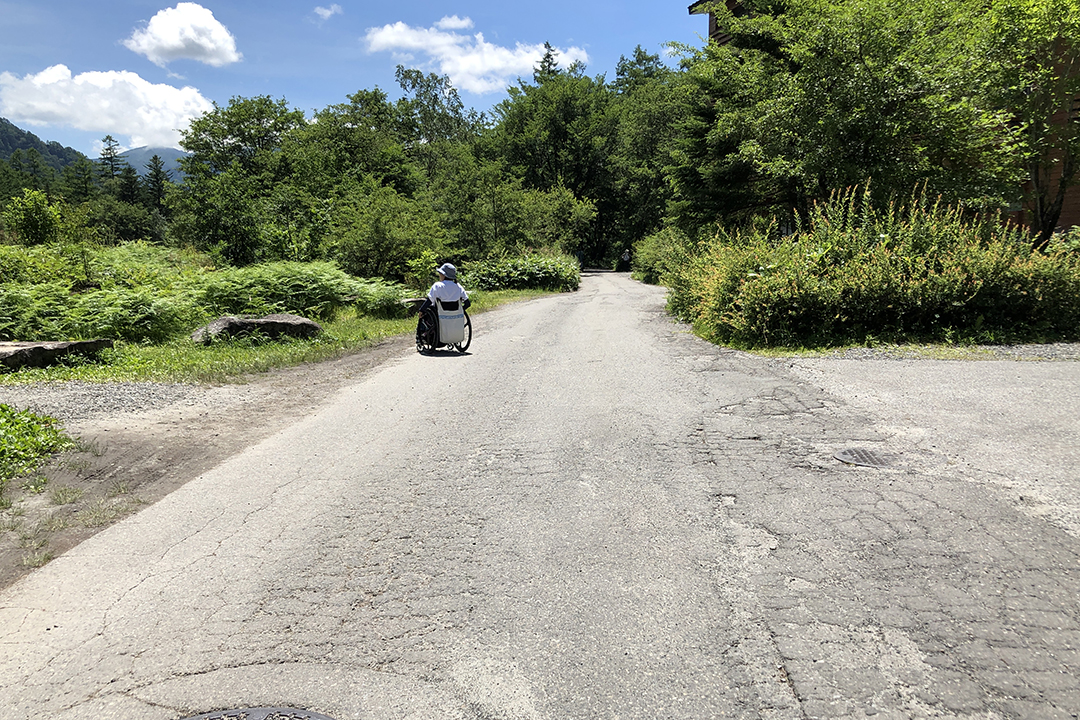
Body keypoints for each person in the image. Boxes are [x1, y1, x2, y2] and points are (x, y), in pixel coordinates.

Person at [416, 263, 470, 346]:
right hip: (455, 315)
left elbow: (429, 301)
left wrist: (421, 310)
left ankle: (421, 339)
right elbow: (467, 303)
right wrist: (459, 311)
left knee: (425, 314)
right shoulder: (458, 287)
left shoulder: (437, 286)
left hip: (439, 314)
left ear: (443, 275)